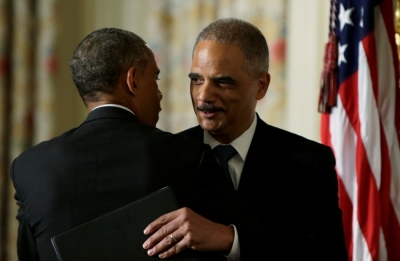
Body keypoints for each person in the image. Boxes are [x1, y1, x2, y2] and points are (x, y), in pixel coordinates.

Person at [9, 27, 265, 261]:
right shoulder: (188, 155)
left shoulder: (29, 167)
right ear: (132, 81)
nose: (160, 94)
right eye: (155, 79)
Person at [144, 18, 348, 260]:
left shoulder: (308, 161)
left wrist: (231, 239)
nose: (203, 96)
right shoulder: (163, 156)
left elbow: (328, 254)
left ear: (260, 86)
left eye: (222, 81)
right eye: (196, 80)